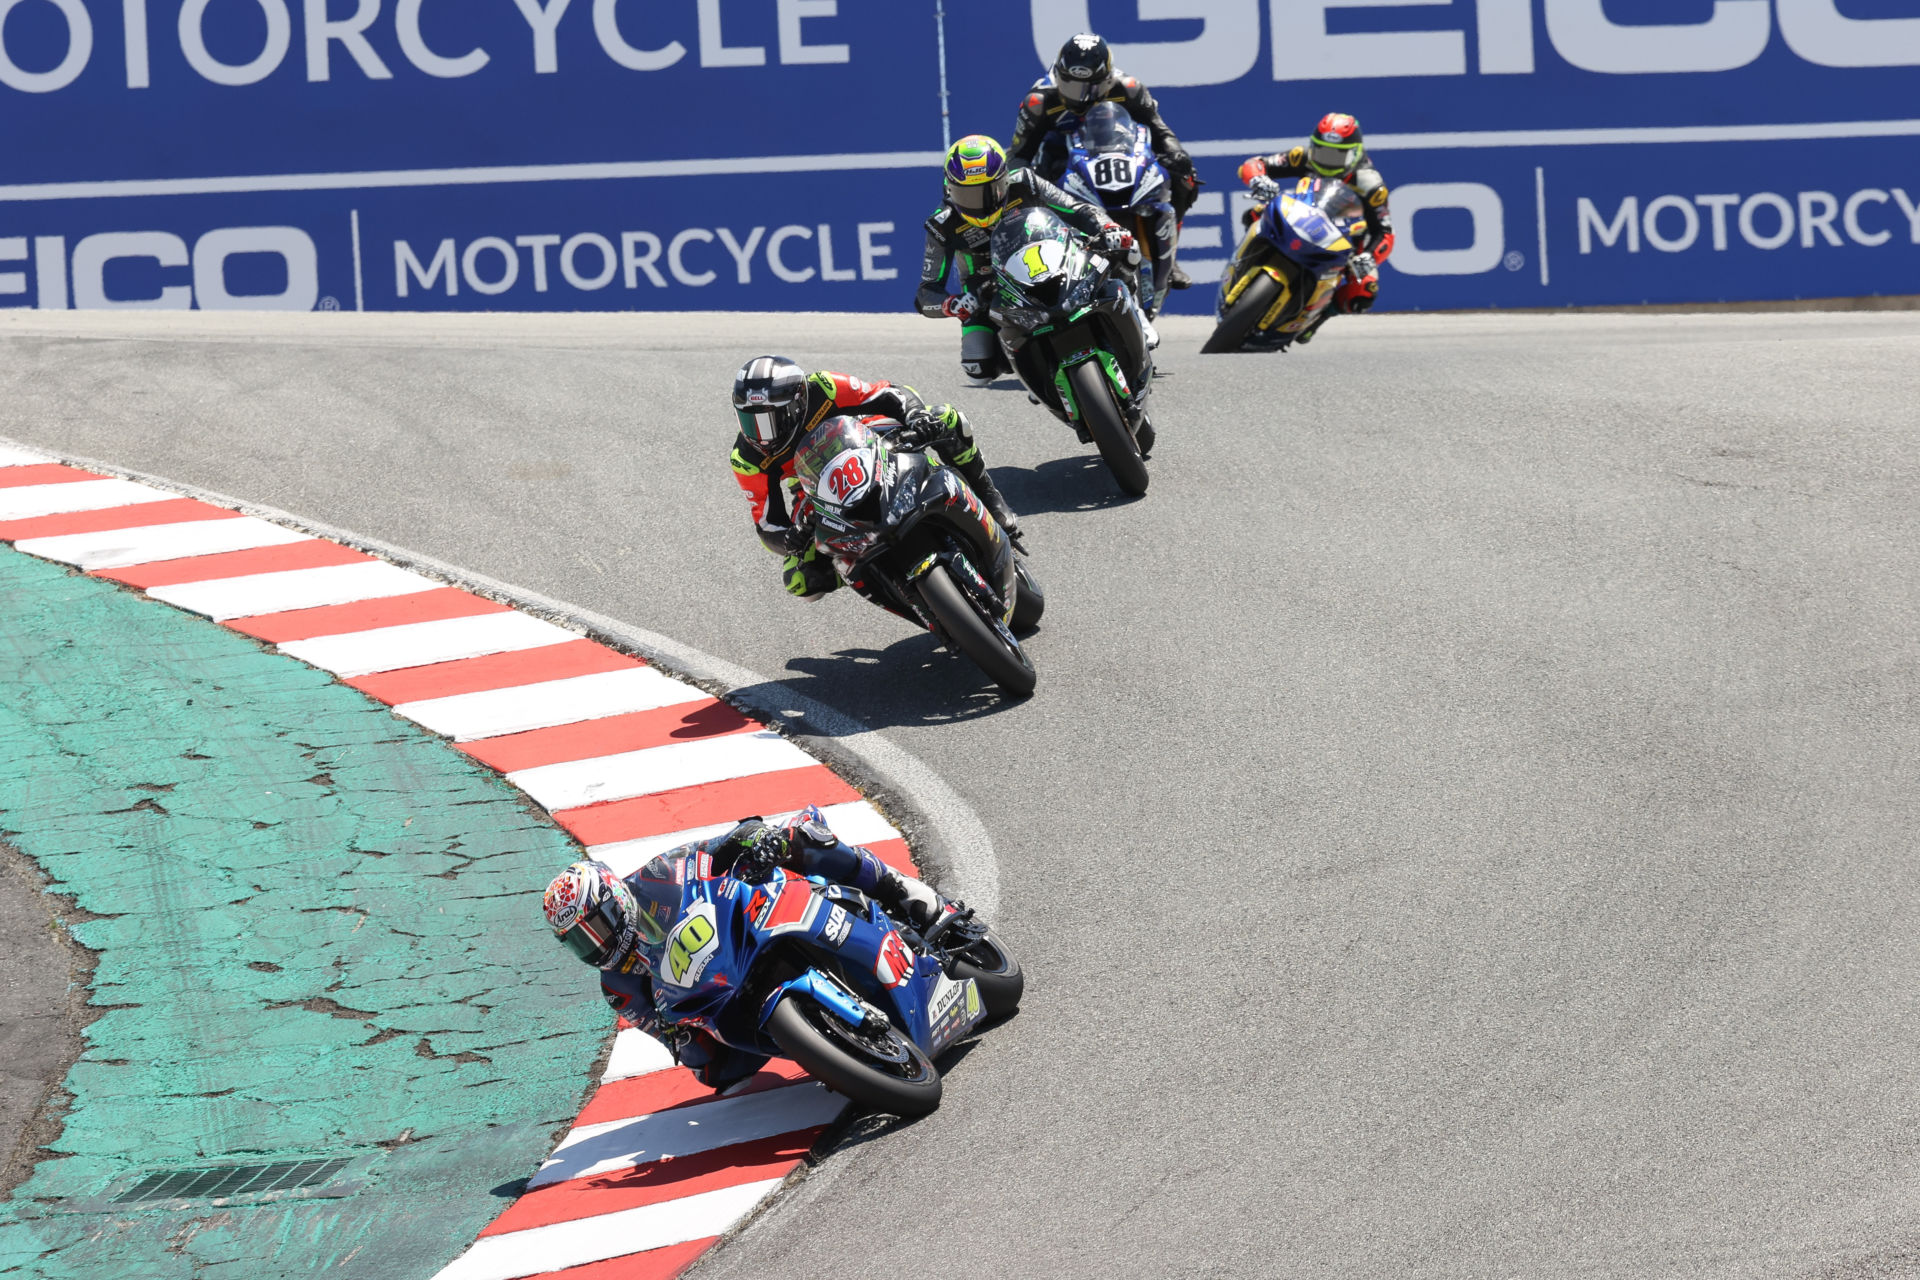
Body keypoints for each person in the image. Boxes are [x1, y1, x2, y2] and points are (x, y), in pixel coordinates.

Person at [541, 807, 945, 1091]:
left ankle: (897, 888)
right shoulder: (617, 984)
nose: (597, 944)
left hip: (745, 926)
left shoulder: (656, 876)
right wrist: (676, 1035)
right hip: (719, 997)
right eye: (580, 941)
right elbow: (667, 1036)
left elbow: (715, 846)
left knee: (800, 838)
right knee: (716, 1073)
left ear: (615, 900)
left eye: (595, 928)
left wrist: (751, 839)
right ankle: (832, 1046)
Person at [730, 355, 1022, 600]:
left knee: (947, 419)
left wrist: (917, 418)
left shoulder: (824, 387)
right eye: (749, 419)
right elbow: (768, 524)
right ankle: (893, 585)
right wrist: (792, 538)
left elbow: (889, 394)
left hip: (867, 440)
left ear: (797, 403)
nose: (760, 434)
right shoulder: (746, 459)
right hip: (813, 486)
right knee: (801, 582)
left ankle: (990, 499)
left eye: (769, 419)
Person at [915, 133, 1152, 384]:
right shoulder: (941, 224)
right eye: (967, 195)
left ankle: (1137, 315)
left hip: (1050, 256)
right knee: (978, 368)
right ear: (949, 189)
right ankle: (1040, 369)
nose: (979, 205)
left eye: (989, 191)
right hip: (988, 287)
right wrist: (951, 304)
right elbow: (926, 292)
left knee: (1126, 247)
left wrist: (1107, 228)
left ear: (1005, 179)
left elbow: (1076, 209)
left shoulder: (1026, 181)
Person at [1010, 32, 1202, 290]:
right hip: (1062, 154)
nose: (1078, 96)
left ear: (1108, 78)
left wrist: (1177, 155)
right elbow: (1020, 153)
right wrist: (1023, 179)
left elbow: (1160, 130)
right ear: (1058, 75)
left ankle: (1170, 258)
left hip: (1118, 149)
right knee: (1031, 192)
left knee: (1184, 177)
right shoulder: (1039, 101)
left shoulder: (1129, 88)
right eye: (1070, 85)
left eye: (1088, 87)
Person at [1238, 113, 1396, 345]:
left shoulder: (1370, 184)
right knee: (1255, 213)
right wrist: (1258, 179)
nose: (1327, 161)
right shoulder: (1303, 157)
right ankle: (1243, 265)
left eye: (1336, 156)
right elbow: (1253, 164)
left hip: (1344, 238)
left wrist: (1369, 257)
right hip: (1301, 216)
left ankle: (1319, 317)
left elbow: (1385, 232)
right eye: (1322, 152)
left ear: (1354, 153)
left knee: (1364, 290)